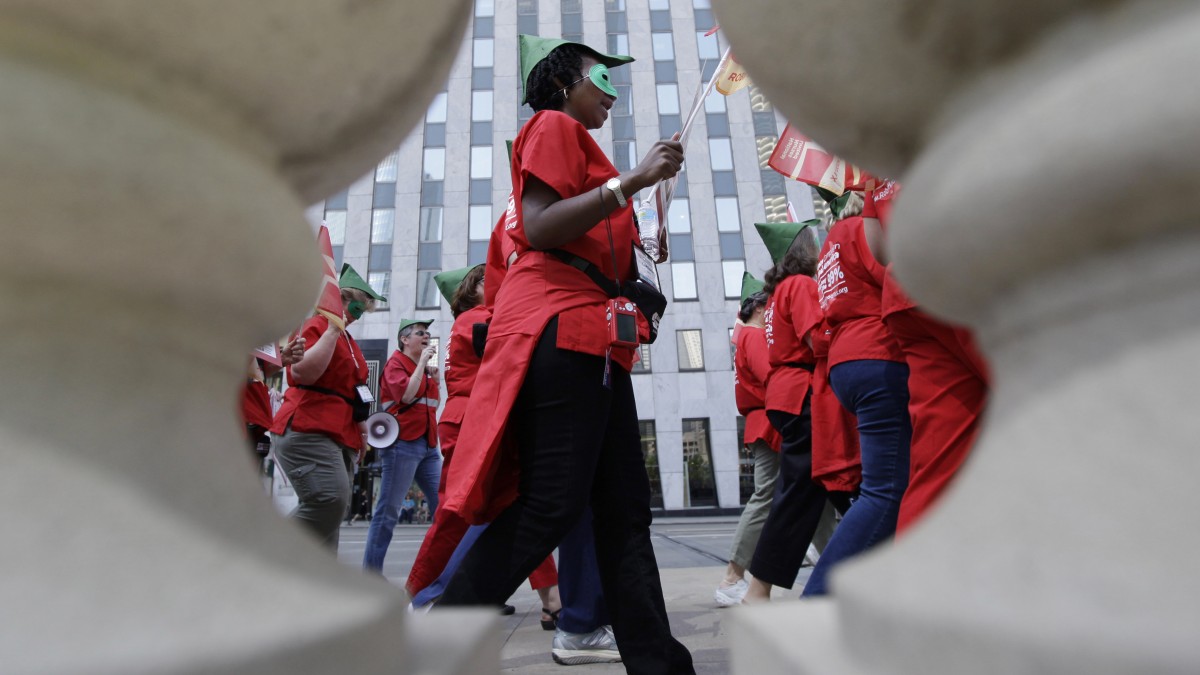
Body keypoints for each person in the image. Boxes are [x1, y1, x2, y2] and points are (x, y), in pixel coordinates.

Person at [437, 35, 693, 673]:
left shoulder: (574, 145)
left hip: (590, 334)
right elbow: (543, 223)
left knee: (624, 511)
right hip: (564, 331)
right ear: (563, 85)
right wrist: (635, 179)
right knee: (553, 502)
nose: (612, 92)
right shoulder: (552, 125)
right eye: (601, 80)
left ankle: (658, 662)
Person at [802, 191, 912, 597]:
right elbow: (895, 276)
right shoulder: (858, 231)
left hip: (846, 362)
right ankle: (817, 602)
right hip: (878, 353)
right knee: (885, 492)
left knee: (884, 486)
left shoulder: (830, 242)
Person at [866, 181, 990, 532]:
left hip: (907, 289)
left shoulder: (878, 152)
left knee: (937, 459)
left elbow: (875, 245)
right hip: (970, 266)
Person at [743, 220, 842, 603]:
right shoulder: (801, 286)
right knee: (800, 494)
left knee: (806, 491)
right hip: (801, 393)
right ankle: (758, 587)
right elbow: (817, 338)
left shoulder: (779, 291)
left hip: (785, 396)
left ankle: (761, 587)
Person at [270, 263, 384, 550]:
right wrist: (334, 328)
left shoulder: (349, 341)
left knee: (330, 518)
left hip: (338, 432)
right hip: (310, 425)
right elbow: (301, 373)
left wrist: (361, 432)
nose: (357, 318)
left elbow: (356, 392)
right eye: (357, 309)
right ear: (340, 299)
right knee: (329, 500)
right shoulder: (318, 326)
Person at [713, 276, 782, 607]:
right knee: (766, 496)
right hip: (769, 421)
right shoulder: (755, 338)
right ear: (757, 308)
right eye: (769, 307)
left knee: (792, 493)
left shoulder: (746, 337)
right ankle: (732, 576)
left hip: (763, 422)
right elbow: (772, 376)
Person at [362, 317, 442, 572]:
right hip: (403, 444)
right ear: (404, 339)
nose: (426, 336)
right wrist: (421, 365)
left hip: (428, 445)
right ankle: (371, 574)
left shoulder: (425, 370)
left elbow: (433, 405)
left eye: (428, 333)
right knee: (388, 512)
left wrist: (435, 378)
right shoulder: (396, 364)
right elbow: (406, 395)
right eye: (421, 332)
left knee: (445, 507)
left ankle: (446, 573)